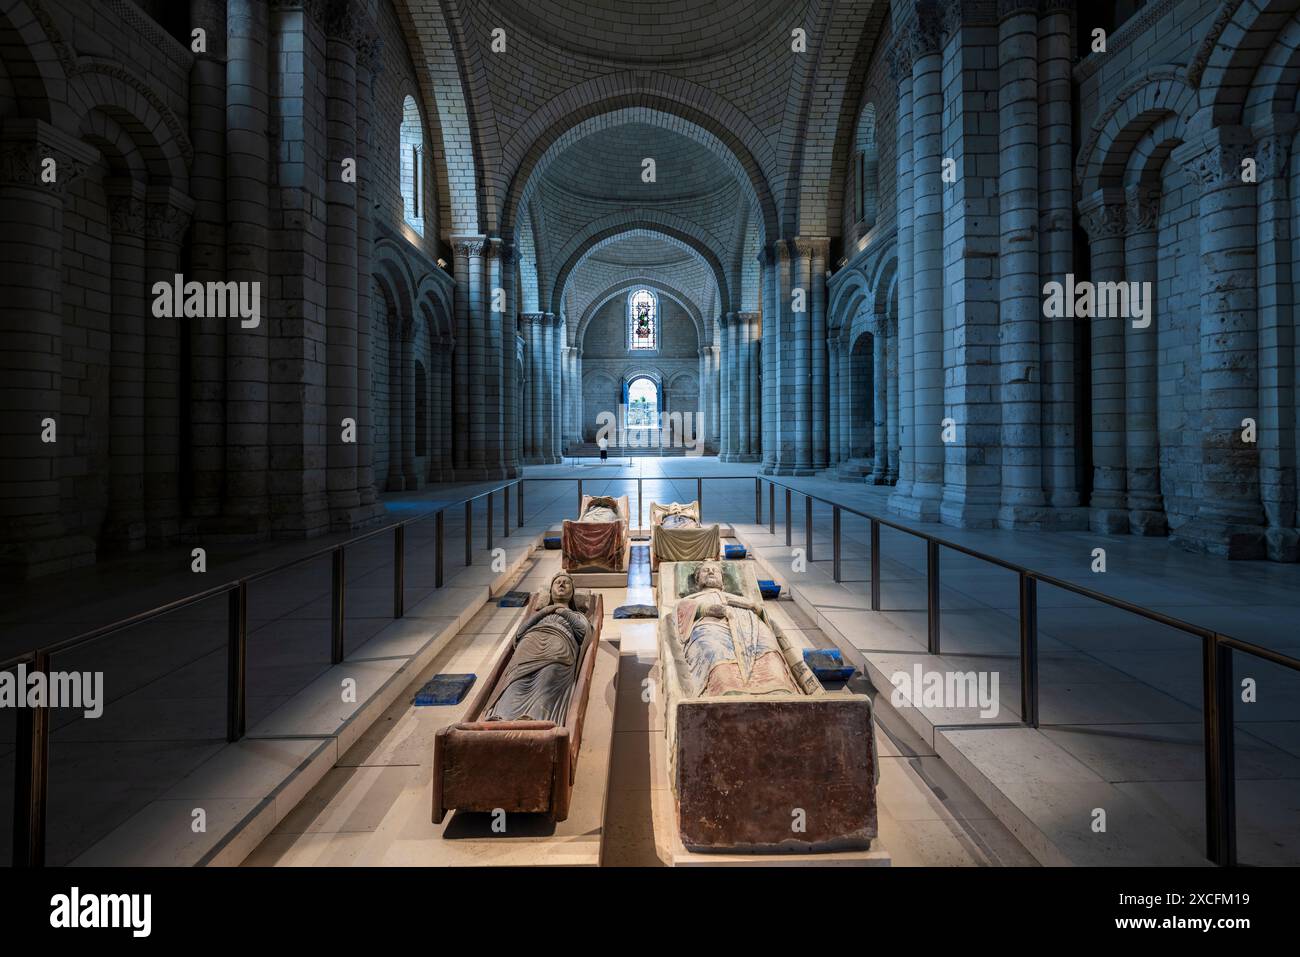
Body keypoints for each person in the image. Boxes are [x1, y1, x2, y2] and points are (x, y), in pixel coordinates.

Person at [673, 561, 797, 698]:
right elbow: (681, 612)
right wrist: (709, 609)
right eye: (705, 570)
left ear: (723, 582)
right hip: (711, 625)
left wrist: (753, 606)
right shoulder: (692, 599)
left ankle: (777, 688)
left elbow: (764, 616)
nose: (711, 572)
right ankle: (727, 689)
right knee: (713, 649)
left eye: (715, 570)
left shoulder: (740, 598)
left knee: (769, 648)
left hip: (749, 625)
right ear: (697, 581)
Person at [483, 573, 591, 723]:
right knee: (516, 681)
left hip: (558, 647)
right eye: (557, 582)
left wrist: (564, 612)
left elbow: (583, 633)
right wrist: (544, 612)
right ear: (551, 591)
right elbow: (520, 634)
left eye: (566, 583)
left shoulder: (577, 615)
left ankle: (536, 718)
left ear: (572, 593)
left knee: (548, 679)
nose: (561, 585)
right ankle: (503, 716)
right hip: (528, 645)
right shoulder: (540, 614)